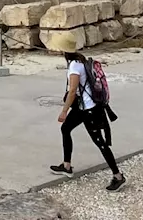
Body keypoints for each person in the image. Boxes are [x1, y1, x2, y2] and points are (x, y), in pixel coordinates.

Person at [47, 33, 125, 192]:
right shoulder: (80, 60)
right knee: (66, 129)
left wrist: (64, 111)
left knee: (100, 143)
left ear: (63, 50)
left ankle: (118, 176)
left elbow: (73, 90)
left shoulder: (75, 66)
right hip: (82, 108)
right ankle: (66, 165)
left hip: (89, 110)